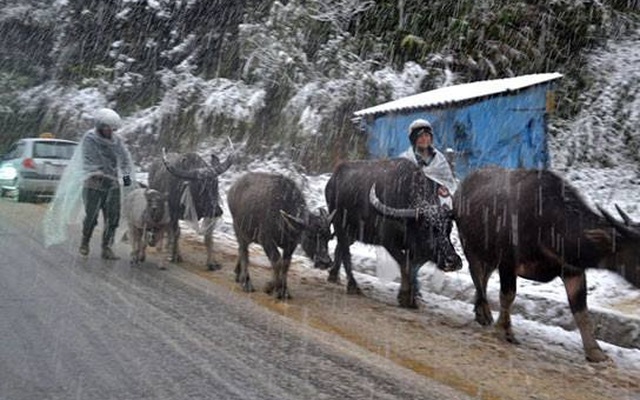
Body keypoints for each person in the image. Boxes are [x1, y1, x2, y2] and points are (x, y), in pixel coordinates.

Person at [78, 108, 134, 259]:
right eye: (106, 127)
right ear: (100, 126)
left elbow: (125, 160)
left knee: (113, 217)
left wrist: (126, 179)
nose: (109, 130)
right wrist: (96, 172)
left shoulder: (117, 142)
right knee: (92, 216)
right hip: (94, 184)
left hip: (112, 183)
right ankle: (85, 241)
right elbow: (89, 158)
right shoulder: (90, 139)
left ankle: (106, 247)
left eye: (112, 128)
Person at [399, 118, 457, 200]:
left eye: (427, 135)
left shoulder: (439, 159)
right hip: (410, 203)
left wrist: (443, 189)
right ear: (414, 139)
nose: (424, 139)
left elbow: (448, 183)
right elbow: (400, 185)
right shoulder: (406, 159)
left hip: (436, 202)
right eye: (420, 136)